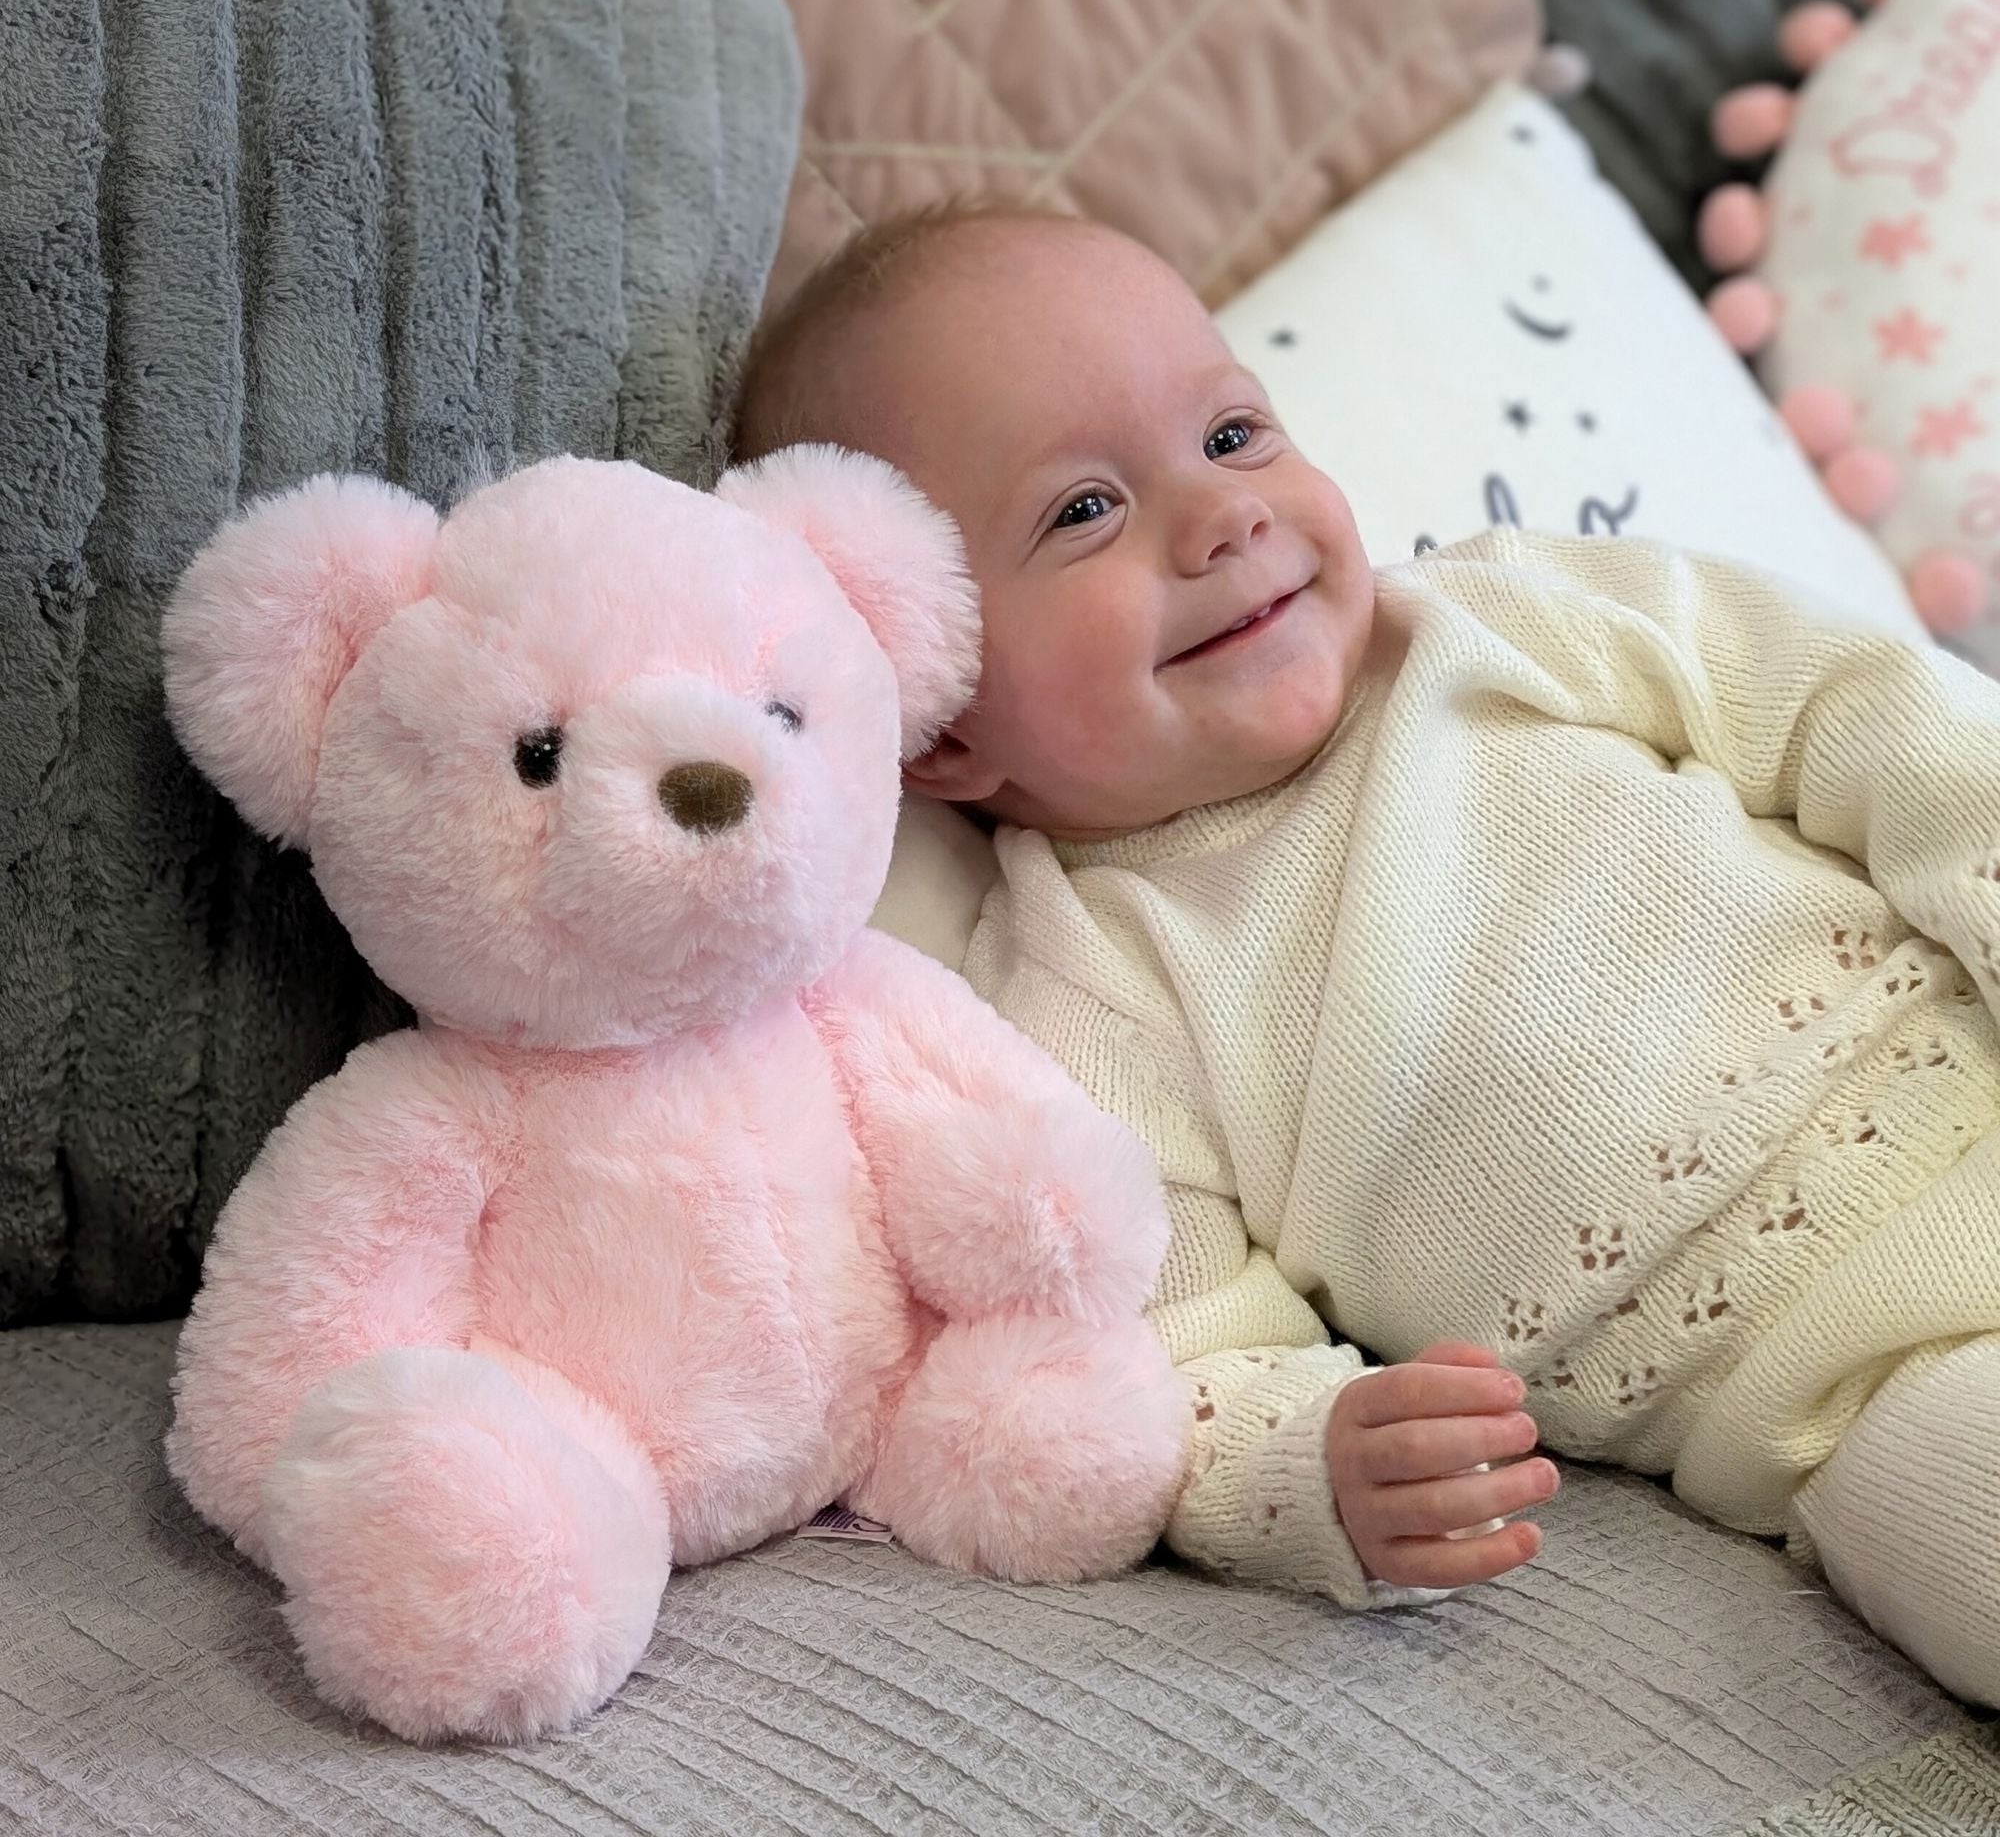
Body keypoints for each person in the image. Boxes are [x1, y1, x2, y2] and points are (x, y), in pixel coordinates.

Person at [732, 200, 2000, 1705]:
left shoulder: (1499, 617)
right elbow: (1186, 1361)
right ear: (935, 723)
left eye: (1232, 434)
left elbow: (1861, 714)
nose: (1220, 520)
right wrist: (1310, 1472)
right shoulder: (1088, 994)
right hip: (1849, 1402)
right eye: (1083, 512)